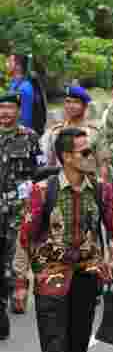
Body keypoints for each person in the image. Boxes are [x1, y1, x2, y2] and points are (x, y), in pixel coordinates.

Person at [12, 127, 113, 352]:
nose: (92, 157)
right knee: (54, 347)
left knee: (77, 348)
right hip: (50, 279)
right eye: (85, 152)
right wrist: (20, 282)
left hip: (87, 279)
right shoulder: (42, 191)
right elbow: (25, 237)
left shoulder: (101, 191)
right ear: (67, 157)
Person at [0, 91, 41, 333]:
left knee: (14, 254)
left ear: (18, 110)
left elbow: (41, 170)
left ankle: (15, 291)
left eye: (9, 108)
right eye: (1, 108)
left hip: (18, 207)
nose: (5, 112)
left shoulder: (30, 137)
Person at [43, 86, 97, 167]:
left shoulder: (94, 132)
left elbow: (102, 163)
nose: (71, 106)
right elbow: (48, 162)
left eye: (76, 102)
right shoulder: (54, 132)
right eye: (68, 102)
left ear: (85, 106)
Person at [6, 54, 35, 130]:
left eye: (10, 61)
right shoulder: (14, 84)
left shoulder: (24, 88)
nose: (7, 64)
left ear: (18, 66)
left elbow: (25, 118)